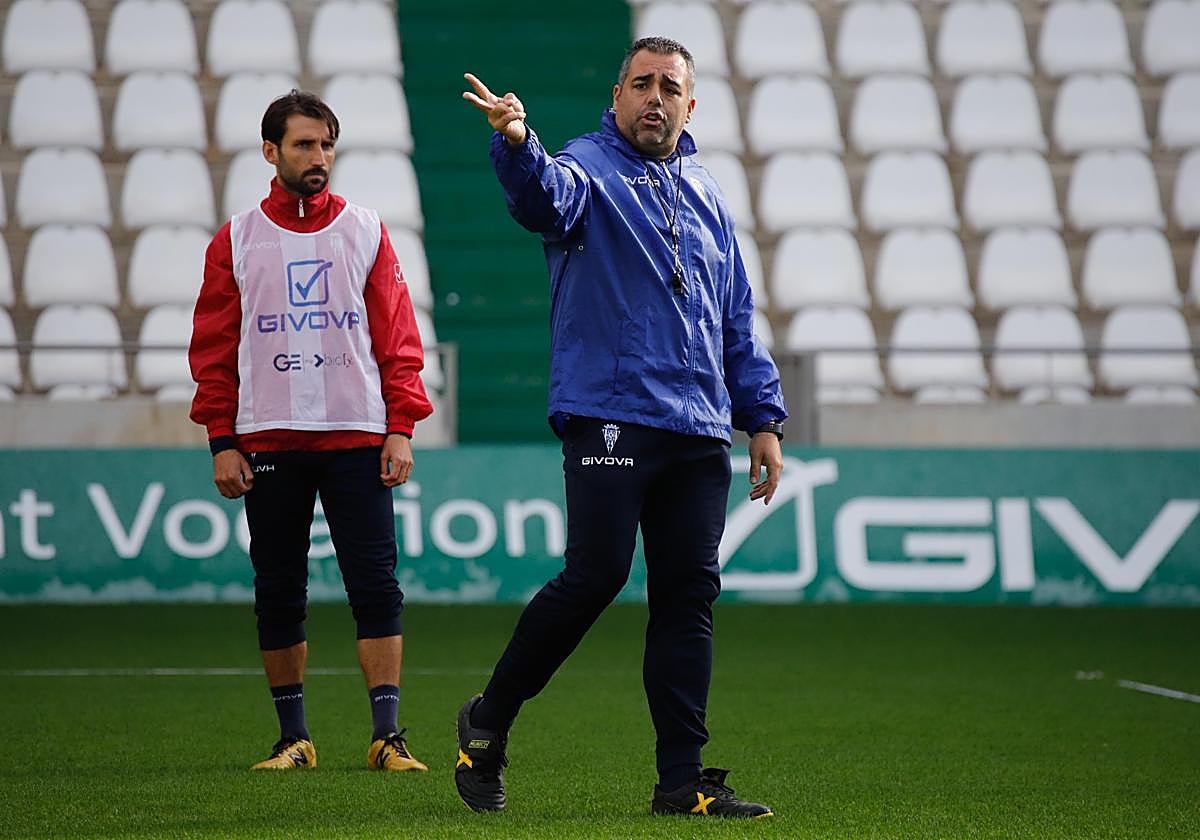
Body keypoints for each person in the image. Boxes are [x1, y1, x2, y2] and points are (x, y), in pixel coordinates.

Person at [455, 37, 786, 818]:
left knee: (687, 597)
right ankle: (490, 718)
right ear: (617, 96)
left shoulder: (706, 191)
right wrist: (517, 143)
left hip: (700, 427)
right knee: (596, 576)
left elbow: (736, 315)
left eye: (670, 87)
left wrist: (762, 419)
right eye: (642, 84)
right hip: (611, 413)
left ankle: (682, 780)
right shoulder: (586, 169)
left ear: (690, 105)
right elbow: (544, 197)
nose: (655, 98)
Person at [189, 89, 433, 773]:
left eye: (327, 144)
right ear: (271, 152)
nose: (319, 157)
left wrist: (401, 425)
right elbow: (212, 347)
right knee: (278, 590)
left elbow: (397, 337)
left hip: (357, 435)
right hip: (267, 439)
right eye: (303, 144)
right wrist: (222, 438)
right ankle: (293, 739)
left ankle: (387, 736)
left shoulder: (364, 228)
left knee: (376, 588)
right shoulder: (236, 239)